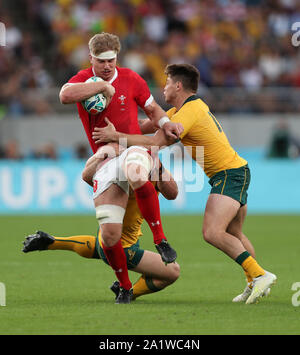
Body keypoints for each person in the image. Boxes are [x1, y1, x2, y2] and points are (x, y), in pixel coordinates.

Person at [93, 63, 277, 305]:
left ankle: (260, 274)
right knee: (234, 233)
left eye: (167, 83)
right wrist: (118, 123)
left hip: (228, 174)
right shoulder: (183, 111)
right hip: (234, 171)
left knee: (212, 232)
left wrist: (116, 137)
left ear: (178, 85)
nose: (164, 87)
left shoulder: (188, 113)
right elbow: (146, 125)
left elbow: (154, 143)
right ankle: (254, 280)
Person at [58, 32, 182, 302]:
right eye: (101, 61)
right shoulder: (84, 80)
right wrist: (101, 87)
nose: (106, 66)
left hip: (133, 150)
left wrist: (165, 124)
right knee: (110, 235)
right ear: (91, 58)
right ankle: (125, 287)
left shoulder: (132, 79)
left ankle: (160, 239)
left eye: (111, 60)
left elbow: (154, 111)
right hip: (106, 157)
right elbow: (65, 95)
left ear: (117, 57)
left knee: (171, 190)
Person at [22, 153, 180, 303]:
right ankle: (129, 292)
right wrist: (105, 155)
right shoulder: (122, 168)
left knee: (101, 245)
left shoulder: (148, 166)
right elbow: (87, 176)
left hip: (106, 234)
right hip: (123, 247)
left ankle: (53, 242)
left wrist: (159, 168)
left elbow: (173, 193)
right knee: (172, 271)